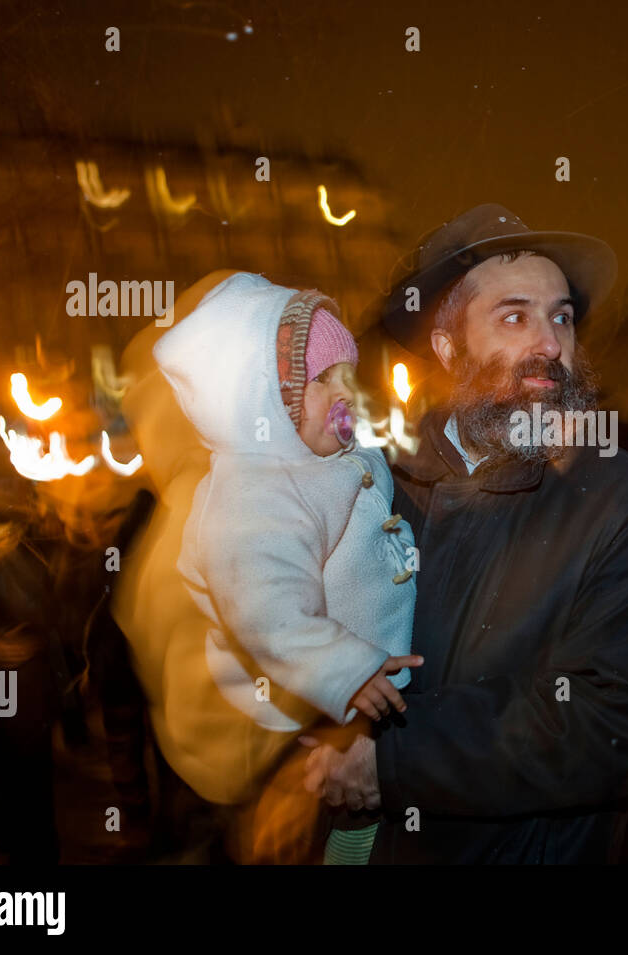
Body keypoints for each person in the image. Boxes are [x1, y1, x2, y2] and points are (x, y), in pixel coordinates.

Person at [303, 203, 628, 863]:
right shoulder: (373, 494)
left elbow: (605, 724)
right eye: (515, 316)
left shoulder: (625, 500)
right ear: (448, 348)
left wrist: (393, 762)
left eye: (561, 317)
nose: (549, 344)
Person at [148, 272, 422, 864]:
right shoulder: (255, 493)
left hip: (355, 698)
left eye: (345, 373)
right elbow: (267, 612)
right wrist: (345, 670)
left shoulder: (329, 458)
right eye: (320, 379)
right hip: (312, 698)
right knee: (334, 816)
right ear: (260, 400)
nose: (342, 390)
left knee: (359, 812)